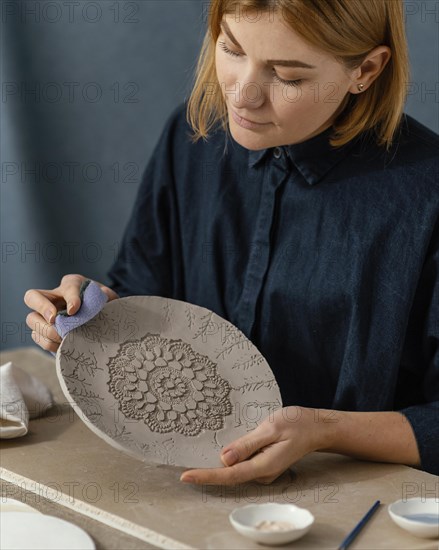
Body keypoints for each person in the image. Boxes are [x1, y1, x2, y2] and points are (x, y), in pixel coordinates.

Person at [24, 0, 439, 482]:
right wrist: (92, 315)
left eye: (288, 77)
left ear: (365, 69)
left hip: (359, 500)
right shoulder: (191, 137)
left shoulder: (426, 195)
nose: (242, 96)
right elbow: (142, 292)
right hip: (176, 486)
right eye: (232, 49)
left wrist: (325, 430)